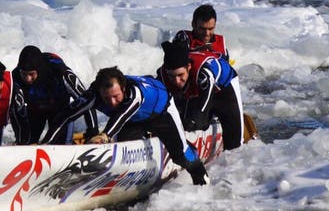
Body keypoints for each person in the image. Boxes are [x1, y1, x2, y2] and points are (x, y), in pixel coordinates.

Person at [41, 66, 207, 185]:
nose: (112, 102)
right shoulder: (93, 95)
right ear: (99, 92)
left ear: (124, 88)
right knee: (125, 152)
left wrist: (104, 135)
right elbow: (67, 116)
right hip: (134, 120)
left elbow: (122, 115)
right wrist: (45, 144)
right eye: (106, 98)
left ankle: (201, 176)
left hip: (162, 113)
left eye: (116, 96)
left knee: (181, 155)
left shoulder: (135, 93)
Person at [159, 35, 244, 150]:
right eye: (171, 76)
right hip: (197, 86)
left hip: (224, 86)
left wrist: (197, 120)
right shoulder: (162, 75)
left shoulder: (204, 74)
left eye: (180, 75)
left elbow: (204, 106)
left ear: (189, 67)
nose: (176, 81)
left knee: (233, 142)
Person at [12, 45, 97, 143]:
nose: (27, 79)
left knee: (62, 143)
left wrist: (93, 131)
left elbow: (86, 99)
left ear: (39, 70)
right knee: (26, 142)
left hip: (61, 111)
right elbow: (17, 113)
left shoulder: (59, 71)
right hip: (35, 111)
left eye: (31, 74)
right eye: (24, 74)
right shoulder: (16, 77)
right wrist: (20, 140)